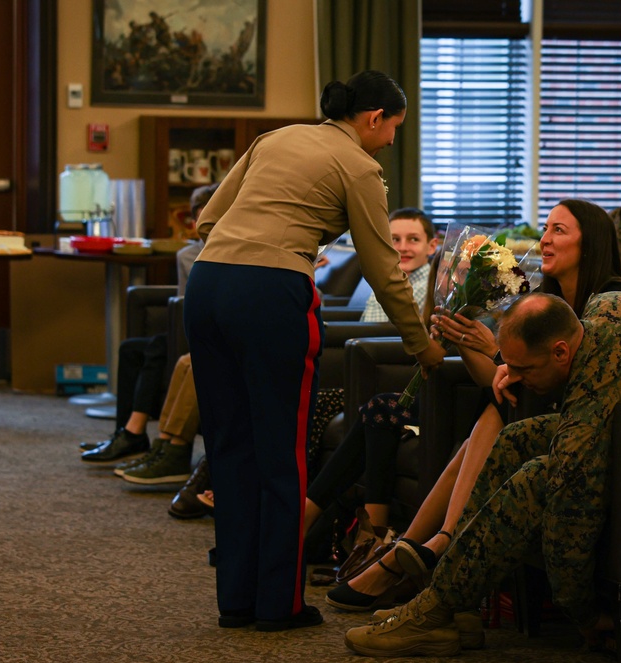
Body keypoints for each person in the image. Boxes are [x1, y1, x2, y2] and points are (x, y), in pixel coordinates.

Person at [183, 70, 446, 632]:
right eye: (395, 127)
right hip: (271, 295)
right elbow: (384, 269)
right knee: (282, 453)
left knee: (230, 447)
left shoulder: (275, 138)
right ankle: (279, 606)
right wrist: (422, 347)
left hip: (205, 287)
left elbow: (208, 220)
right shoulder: (361, 167)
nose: (393, 140)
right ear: (375, 118)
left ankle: (236, 601)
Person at [343, 291, 621, 657]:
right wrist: (511, 363)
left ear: (561, 351)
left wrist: (581, 613)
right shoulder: (608, 306)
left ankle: (433, 611)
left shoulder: (592, 402)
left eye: (523, 368)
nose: (514, 376)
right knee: (515, 438)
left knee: (538, 477)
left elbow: (571, 518)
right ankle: (454, 602)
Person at [319, 199, 621, 612]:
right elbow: (500, 381)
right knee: (491, 406)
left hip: (589, 424)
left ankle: (416, 549)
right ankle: (422, 546)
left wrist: (498, 354)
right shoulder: (545, 300)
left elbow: (584, 388)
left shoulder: (616, 302)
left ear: (591, 242)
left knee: (491, 411)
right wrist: (468, 340)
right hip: (522, 410)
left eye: (559, 230)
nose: (544, 240)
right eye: (545, 228)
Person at [151, 208, 437, 518]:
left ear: (431, 246)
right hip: (352, 367)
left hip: (379, 378)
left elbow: (403, 339)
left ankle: (244, 488)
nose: (403, 247)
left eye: (413, 240)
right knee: (262, 388)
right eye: (394, 239)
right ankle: (227, 481)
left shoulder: (424, 285)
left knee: (284, 398)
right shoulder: (387, 275)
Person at [80, 184, 219, 465]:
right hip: (188, 327)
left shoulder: (230, 254)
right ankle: (126, 433)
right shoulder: (187, 255)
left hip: (212, 332)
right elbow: (183, 302)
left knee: (157, 346)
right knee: (131, 349)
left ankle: (134, 432)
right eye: (198, 220)